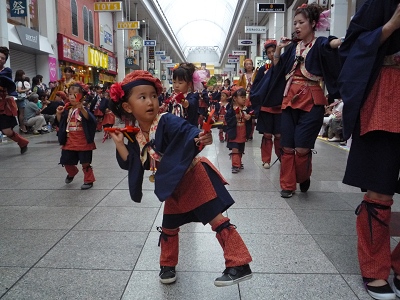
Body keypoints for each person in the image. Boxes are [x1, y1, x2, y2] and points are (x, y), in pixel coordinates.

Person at [108, 70, 252, 286]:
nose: (150, 102)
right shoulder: (136, 134)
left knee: (217, 220)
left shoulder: (167, 121)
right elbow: (133, 163)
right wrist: (119, 143)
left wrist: (202, 137)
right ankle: (167, 266)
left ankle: (239, 264)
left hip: (194, 176)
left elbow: (188, 132)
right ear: (128, 107)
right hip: (173, 184)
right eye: (142, 97)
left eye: (153, 96)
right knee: (169, 226)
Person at [338, 1, 400, 299]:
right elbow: (349, 48)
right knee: (379, 189)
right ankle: (375, 267)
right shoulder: (380, 2)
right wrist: (390, 27)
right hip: (387, 96)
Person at [269, 3, 342, 198]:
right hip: (288, 99)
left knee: (301, 148)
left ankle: (303, 176)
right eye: (295, 23)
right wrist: (278, 49)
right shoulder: (292, 47)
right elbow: (277, 70)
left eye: (301, 22)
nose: (296, 26)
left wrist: (340, 42)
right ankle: (287, 185)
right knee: (287, 147)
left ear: (313, 23)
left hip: (311, 100)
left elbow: (330, 44)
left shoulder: (319, 44)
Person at [55, 82, 97, 190]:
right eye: (70, 94)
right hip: (69, 141)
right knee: (65, 161)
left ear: (81, 96)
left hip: (83, 141)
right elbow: (61, 123)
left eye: (75, 94)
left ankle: (89, 180)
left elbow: (90, 120)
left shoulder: (83, 109)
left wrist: (82, 108)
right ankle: (72, 172)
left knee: (85, 162)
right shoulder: (67, 109)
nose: (72, 97)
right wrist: (59, 114)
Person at [251, 39, 282, 169]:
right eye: (269, 52)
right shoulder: (263, 69)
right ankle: (266, 160)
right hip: (266, 107)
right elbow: (256, 86)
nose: (271, 54)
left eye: (273, 51)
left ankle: (282, 157)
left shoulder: (283, 66)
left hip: (280, 106)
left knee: (279, 135)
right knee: (267, 134)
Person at [225, 86, 252, 173]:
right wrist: (235, 118)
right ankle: (235, 165)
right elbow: (228, 120)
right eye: (242, 97)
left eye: (245, 97)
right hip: (234, 132)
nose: (244, 99)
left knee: (241, 148)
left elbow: (252, 115)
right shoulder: (231, 110)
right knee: (235, 148)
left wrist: (249, 117)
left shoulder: (245, 109)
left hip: (243, 132)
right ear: (235, 98)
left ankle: (239, 162)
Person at [0, 72, 29, 154]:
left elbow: (11, 88)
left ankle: (22, 142)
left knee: (7, 131)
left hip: (4, 108)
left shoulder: (5, 72)